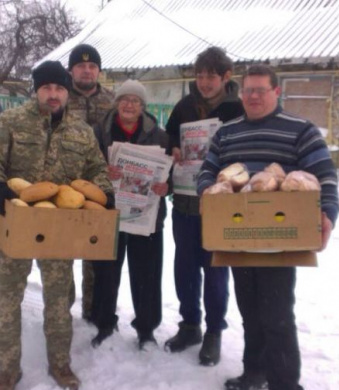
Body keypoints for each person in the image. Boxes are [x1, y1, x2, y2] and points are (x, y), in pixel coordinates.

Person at [0, 60, 114, 390]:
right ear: (37, 90)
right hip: (17, 221)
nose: (54, 94)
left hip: (60, 227)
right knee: (9, 301)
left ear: (66, 92)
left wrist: (104, 192)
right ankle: (7, 371)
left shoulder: (80, 131)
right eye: (47, 88)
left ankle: (61, 366)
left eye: (60, 88)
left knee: (59, 302)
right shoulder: (11, 121)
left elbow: (97, 169)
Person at [196, 65, 339, 390]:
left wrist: (327, 213)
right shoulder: (227, 133)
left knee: (276, 315)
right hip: (239, 235)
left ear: (277, 92)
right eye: (248, 90)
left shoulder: (301, 130)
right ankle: (254, 372)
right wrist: (208, 192)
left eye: (261, 90)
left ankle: (285, 383)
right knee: (250, 312)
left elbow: (325, 175)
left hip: (280, 237)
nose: (253, 96)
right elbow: (208, 169)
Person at [164, 46, 245, 366]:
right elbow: (169, 135)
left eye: (211, 75)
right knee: (184, 267)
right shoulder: (185, 105)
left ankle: (213, 331)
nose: (204, 81)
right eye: (199, 75)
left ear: (226, 76)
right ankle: (189, 324)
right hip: (184, 200)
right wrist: (172, 148)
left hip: (219, 202)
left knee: (215, 268)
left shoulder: (237, 109)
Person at [88, 80, 170, 350]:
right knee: (106, 272)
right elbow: (87, 167)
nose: (129, 104)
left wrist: (164, 186)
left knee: (147, 273)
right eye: (124, 99)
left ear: (142, 106)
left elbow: (171, 175)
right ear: (116, 103)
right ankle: (104, 324)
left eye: (135, 100)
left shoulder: (159, 135)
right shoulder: (100, 131)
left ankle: (146, 329)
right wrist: (104, 171)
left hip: (147, 216)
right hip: (109, 212)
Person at [66, 43, 116, 323]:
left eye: (92, 66)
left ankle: (93, 311)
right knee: (62, 250)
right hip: (64, 184)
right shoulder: (57, 96)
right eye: (81, 66)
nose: (87, 70)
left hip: (100, 184)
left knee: (95, 250)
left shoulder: (111, 100)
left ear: (98, 70)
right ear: (71, 70)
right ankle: (62, 312)